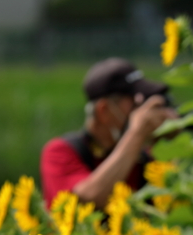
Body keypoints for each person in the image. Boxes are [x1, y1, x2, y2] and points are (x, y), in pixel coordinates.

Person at [40, 58, 178, 210]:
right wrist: (136, 133)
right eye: (134, 103)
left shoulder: (144, 158)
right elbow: (88, 199)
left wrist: (172, 143)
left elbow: (175, 209)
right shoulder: (60, 152)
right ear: (104, 110)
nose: (141, 111)